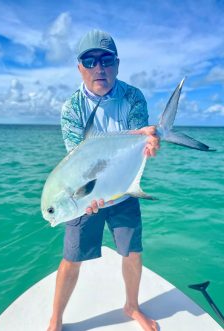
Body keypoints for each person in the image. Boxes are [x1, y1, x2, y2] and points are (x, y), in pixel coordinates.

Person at [47, 29, 160, 331]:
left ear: (117, 64)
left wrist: (148, 143)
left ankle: (131, 306)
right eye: (91, 60)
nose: (100, 68)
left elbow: (137, 141)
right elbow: (79, 161)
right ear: (80, 67)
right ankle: (55, 320)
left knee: (133, 252)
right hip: (84, 199)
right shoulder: (72, 108)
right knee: (71, 258)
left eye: (106, 60)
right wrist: (87, 196)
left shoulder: (133, 97)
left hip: (122, 191)